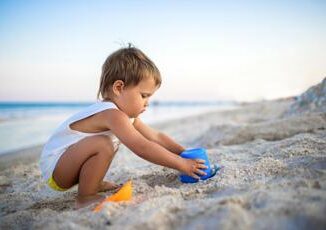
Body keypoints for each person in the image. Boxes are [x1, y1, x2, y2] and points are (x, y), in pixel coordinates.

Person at [40, 45, 208, 209]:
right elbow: (142, 147)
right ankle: (85, 197)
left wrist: (183, 152)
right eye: (144, 96)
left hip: (70, 164)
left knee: (105, 143)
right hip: (57, 169)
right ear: (119, 88)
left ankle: (93, 182)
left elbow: (155, 137)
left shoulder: (125, 116)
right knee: (103, 144)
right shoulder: (111, 114)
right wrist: (182, 164)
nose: (147, 103)